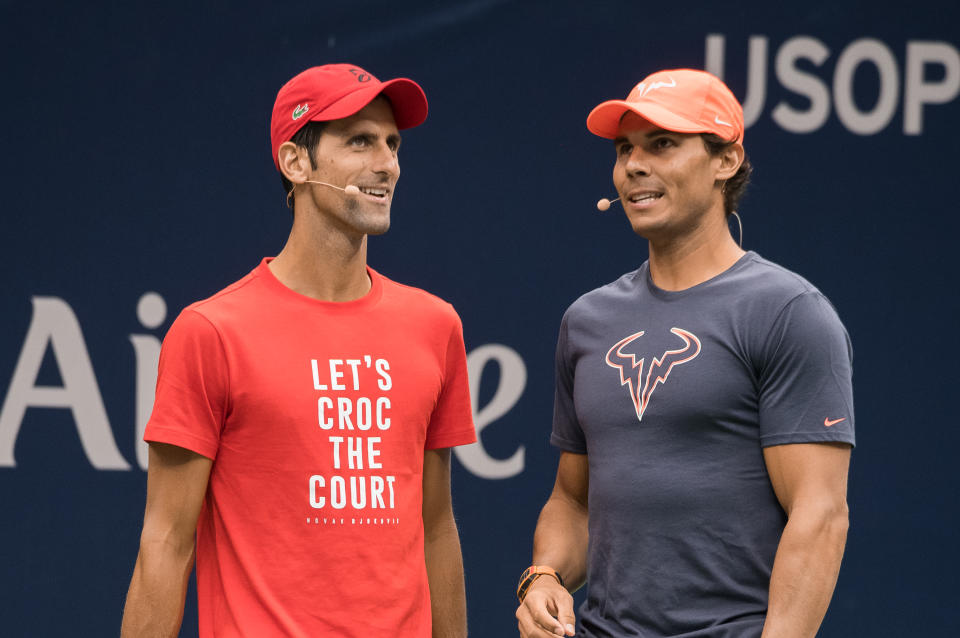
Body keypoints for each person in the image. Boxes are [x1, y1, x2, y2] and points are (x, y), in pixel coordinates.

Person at [121, 64, 476, 638]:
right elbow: (165, 543)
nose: (386, 163)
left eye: (392, 143)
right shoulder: (211, 331)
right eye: (359, 140)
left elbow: (436, 527)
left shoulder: (435, 326)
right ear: (295, 162)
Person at [515, 69, 854, 638]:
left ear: (726, 161)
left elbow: (819, 517)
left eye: (663, 145)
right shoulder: (587, 321)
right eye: (625, 149)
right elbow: (573, 501)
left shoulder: (788, 310)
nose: (634, 166)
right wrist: (545, 577)